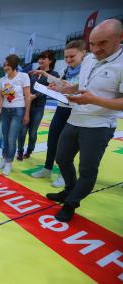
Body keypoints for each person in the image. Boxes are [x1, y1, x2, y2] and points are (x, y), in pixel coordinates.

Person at [46, 19, 123, 222]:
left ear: (120, 38)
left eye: (102, 43)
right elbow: (80, 85)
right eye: (92, 44)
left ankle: (71, 204)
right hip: (75, 119)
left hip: (98, 126)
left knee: (87, 170)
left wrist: (93, 99)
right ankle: (69, 191)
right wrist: (64, 90)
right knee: (61, 158)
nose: (96, 49)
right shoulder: (89, 58)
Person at [31, 40, 85, 187]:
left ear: (83, 54)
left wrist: (69, 88)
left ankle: (63, 174)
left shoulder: (87, 71)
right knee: (52, 140)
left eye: (72, 57)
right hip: (61, 109)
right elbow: (60, 83)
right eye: (66, 57)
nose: (68, 60)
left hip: (74, 112)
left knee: (67, 146)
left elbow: (82, 90)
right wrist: (47, 78)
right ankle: (47, 168)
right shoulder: (67, 70)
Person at [17, 50, 59, 160]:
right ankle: (20, 151)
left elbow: (49, 90)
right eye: (39, 58)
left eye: (43, 58)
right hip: (26, 105)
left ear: (50, 61)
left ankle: (30, 150)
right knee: (22, 131)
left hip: (38, 107)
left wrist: (35, 96)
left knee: (32, 132)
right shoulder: (33, 73)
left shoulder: (54, 75)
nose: (40, 60)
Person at [0, 54, 31, 176]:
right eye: (4, 65)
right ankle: (4, 158)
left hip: (18, 111)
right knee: (5, 137)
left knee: (11, 138)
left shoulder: (23, 76)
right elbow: (0, 100)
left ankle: (9, 162)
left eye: (8, 65)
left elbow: (27, 96)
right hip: (5, 111)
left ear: (14, 65)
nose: (5, 67)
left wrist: (27, 114)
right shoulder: (2, 80)